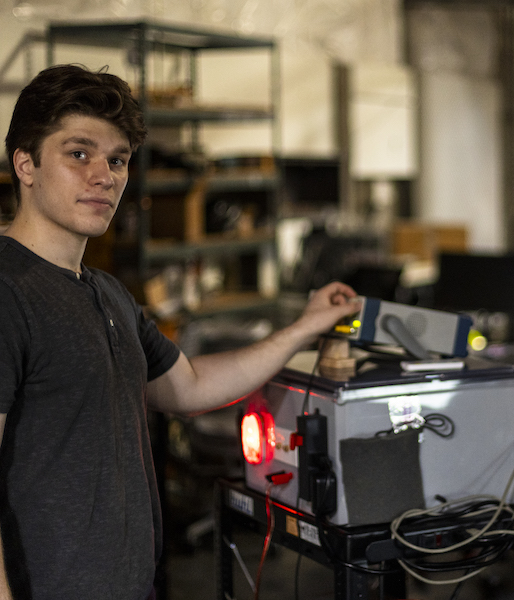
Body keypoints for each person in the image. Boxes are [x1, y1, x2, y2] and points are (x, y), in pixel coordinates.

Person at [0, 64, 360, 600]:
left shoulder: (107, 292)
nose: (104, 175)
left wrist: (307, 325)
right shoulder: (8, 291)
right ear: (25, 164)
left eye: (117, 159)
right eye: (79, 153)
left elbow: (189, 386)